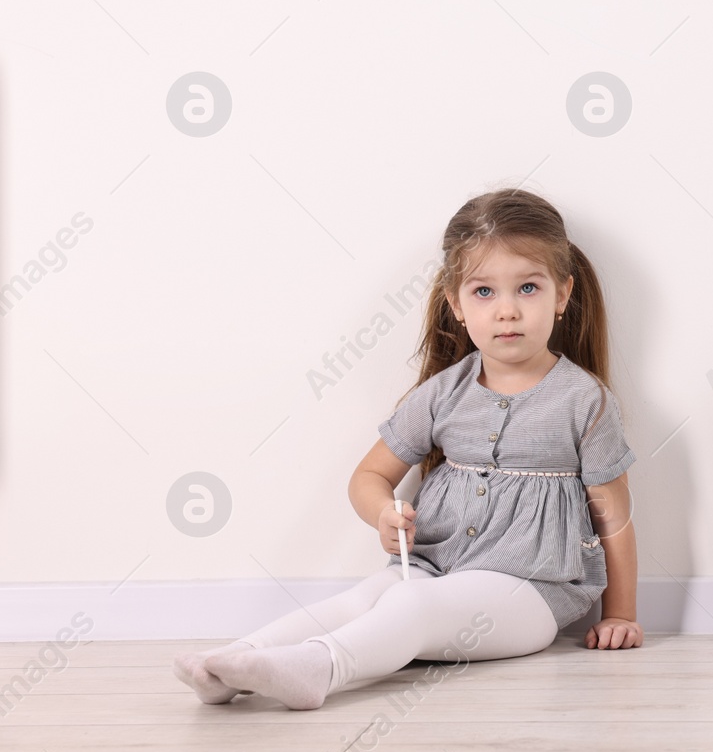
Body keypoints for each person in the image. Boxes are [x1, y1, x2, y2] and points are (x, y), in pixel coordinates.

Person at [172, 188, 642, 709]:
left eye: (527, 288)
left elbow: (615, 519)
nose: (507, 311)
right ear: (456, 305)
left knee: (414, 604)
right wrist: (382, 515)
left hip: (531, 592)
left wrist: (619, 613)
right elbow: (368, 476)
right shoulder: (443, 393)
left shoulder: (584, 400)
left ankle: (321, 668)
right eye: (484, 292)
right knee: (368, 596)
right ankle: (235, 660)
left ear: (561, 294)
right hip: (432, 566)